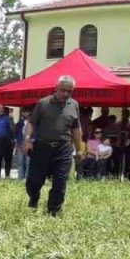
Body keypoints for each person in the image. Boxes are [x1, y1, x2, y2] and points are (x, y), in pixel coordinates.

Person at [24, 76, 84, 217]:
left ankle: (53, 212)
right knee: (33, 181)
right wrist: (27, 140)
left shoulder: (74, 105)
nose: (66, 94)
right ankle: (34, 198)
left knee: (60, 182)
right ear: (56, 88)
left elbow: (76, 128)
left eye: (69, 91)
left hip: (63, 149)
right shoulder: (43, 103)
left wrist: (79, 149)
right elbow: (31, 123)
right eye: (63, 90)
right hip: (42, 148)